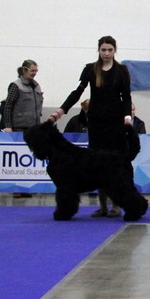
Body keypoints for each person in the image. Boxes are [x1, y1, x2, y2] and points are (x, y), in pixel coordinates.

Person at [49, 36, 133, 218]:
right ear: (99, 50)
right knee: (97, 165)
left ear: (115, 50)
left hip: (115, 123)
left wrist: (127, 116)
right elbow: (77, 92)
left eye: (110, 50)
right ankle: (103, 207)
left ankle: (116, 206)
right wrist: (61, 111)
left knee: (116, 165)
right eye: (103, 50)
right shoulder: (89, 69)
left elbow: (126, 96)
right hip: (96, 123)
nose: (106, 53)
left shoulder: (122, 71)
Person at [2, 60, 43, 133]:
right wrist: (8, 126)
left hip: (34, 128)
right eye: (32, 71)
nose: (34, 73)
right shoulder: (16, 86)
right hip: (18, 128)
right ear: (24, 70)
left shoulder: (36, 86)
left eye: (36, 71)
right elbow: (8, 106)